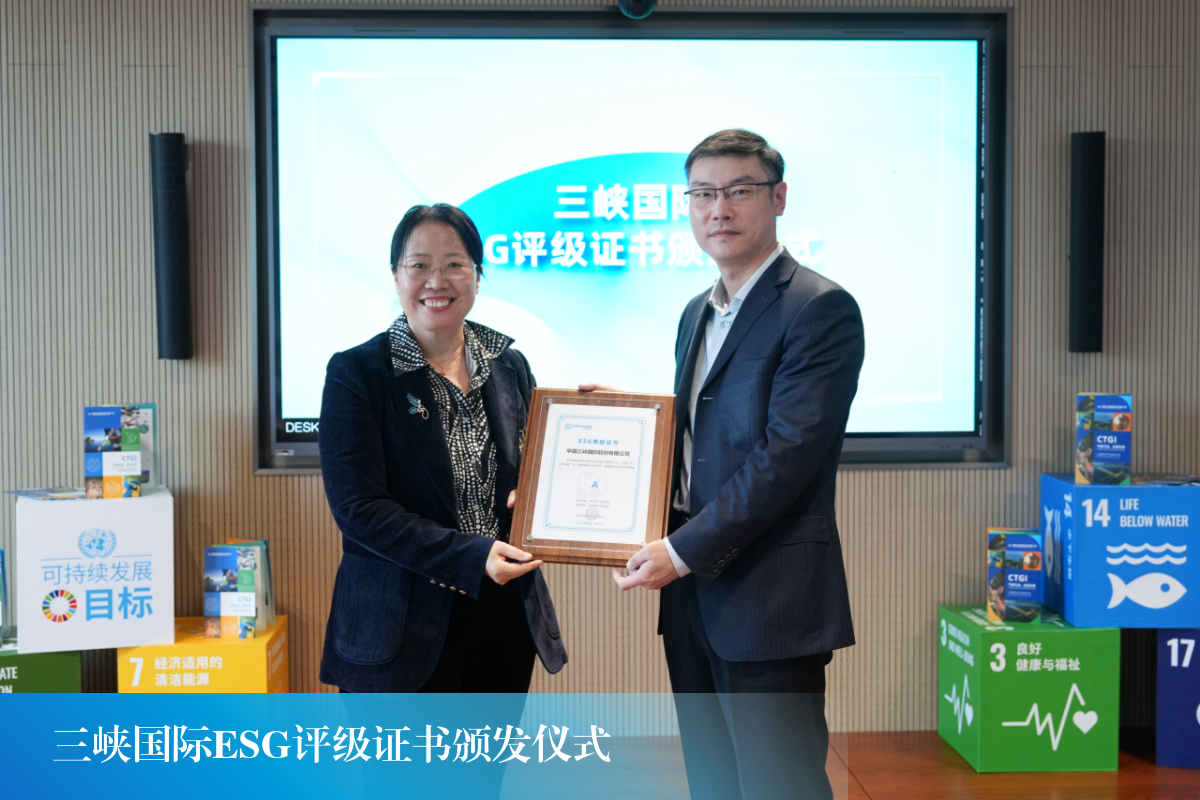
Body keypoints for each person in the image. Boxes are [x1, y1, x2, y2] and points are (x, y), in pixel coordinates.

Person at [595, 129, 864, 799]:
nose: (719, 209)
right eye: (702, 194)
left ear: (778, 198)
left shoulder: (819, 307)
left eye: (739, 191)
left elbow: (784, 459)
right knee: (713, 783)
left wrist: (680, 551)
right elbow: (703, 437)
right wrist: (625, 424)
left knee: (780, 786)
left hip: (769, 599)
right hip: (693, 602)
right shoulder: (696, 313)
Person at [319, 203, 566, 694]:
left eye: (455, 264)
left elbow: (529, 470)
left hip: (502, 621)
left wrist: (543, 492)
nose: (437, 281)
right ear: (396, 275)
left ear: (478, 275)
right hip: (399, 628)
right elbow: (359, 510)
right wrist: (471, 556)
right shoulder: (357, 373)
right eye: (419, 265)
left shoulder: (510, 365)